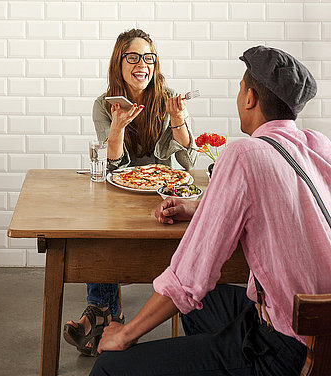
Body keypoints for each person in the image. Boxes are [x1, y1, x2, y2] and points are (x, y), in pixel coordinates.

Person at [90, 45, 331, 376]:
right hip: (322, 329)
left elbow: (189, 279)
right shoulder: (317, 145)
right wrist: (196, 207)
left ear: (249, 98)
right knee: (202, 307)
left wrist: (125, 332)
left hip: (287, 350)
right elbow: (287, 197)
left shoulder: (244, 154)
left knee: (110, 367)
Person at [63, 28, 197, 356]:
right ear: (119, 63)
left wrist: (177, 119)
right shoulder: (104, 104)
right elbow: (113, 168)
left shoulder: (169, 97)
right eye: (133, 57)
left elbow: (188, 159)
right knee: (97, 227)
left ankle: (100, 314)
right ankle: (102, 312)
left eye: (149, 57)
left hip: (165, 192)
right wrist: (117, 128)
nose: (142, 64)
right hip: (122, 193)